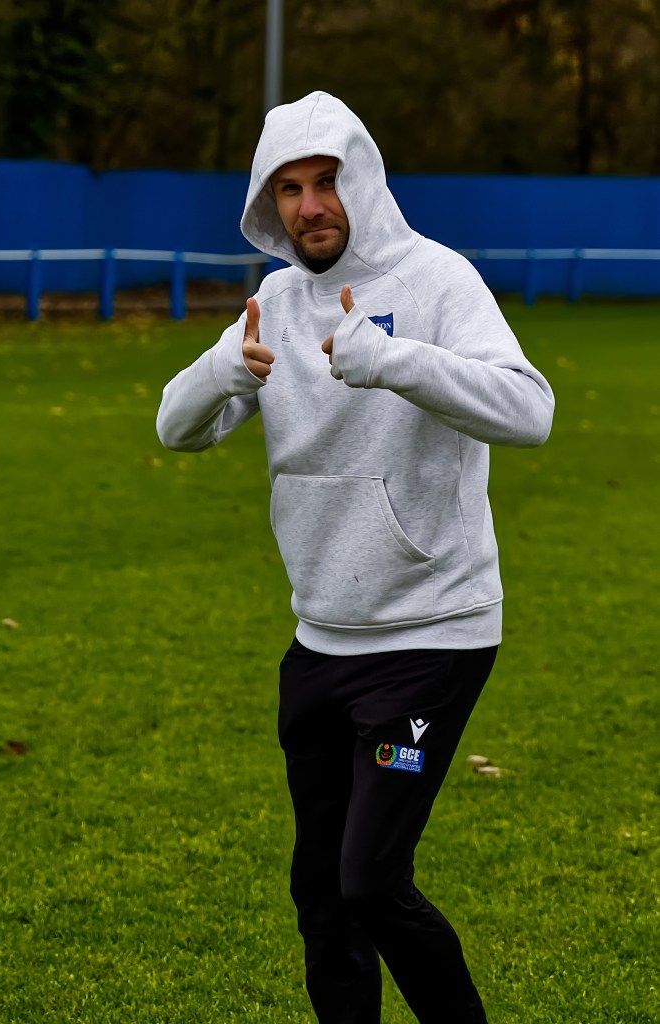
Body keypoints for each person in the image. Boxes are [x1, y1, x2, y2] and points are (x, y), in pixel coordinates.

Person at [156, 91, 554, 1024]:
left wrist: (393, 360)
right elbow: (176, 429)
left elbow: (529, 410)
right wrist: (222, 369)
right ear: (268, 202)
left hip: (431, 639)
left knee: (371, 880)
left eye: (326, 181)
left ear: (362, 180)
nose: (310, 206)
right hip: (319, 643)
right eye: (288, 188)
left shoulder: (438, 279)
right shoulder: (272, 302)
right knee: (322, 895)